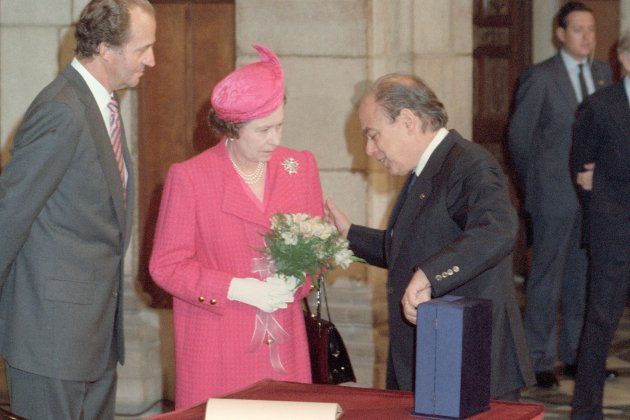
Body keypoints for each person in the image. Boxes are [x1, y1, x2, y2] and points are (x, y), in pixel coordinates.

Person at [326, 74, 535, 400]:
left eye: (373, 135)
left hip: (469, 361)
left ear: (408, 121)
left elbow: (497, 229)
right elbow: (415, 247)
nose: (369, 149)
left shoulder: (470, 164)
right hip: (432, 358)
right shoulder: (425, 170)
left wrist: (430, 276)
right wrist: (349, 235)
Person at [0, 1, 156, 419]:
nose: (152, 60)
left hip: (92, 338)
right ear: (106, 49)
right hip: (50, 342)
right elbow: (8, 216)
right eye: (143, 49)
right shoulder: (62, 110)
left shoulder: (102, 105)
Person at [149, 44, 324, 408]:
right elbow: (166, 266)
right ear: (231, 129)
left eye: (279, 125)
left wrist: (298, 279)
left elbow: (316, 251)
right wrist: (234, 287)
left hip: (284, 347)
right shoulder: (191, 178)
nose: (274, 140)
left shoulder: (300, 167)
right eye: (262, 131)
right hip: (218, 347)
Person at [506, 1, 612, 388]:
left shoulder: (603, 74)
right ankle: (539, 359)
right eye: (579, 30)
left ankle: (577, 355)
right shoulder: (541, 77)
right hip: (553, 195)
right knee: (547, 277)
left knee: (583, 277)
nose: (588, 37)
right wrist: (535, 184)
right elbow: (519, 138)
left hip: (594, 196)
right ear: (560, 34)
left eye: (592, 30)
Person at [569, 32, 630, 420]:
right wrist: (604, 193)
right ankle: (586, 412)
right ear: (625, 57)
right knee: (601, 321)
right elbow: (580, 168)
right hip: (614, 234)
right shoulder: (599, 106)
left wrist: (605, 178)